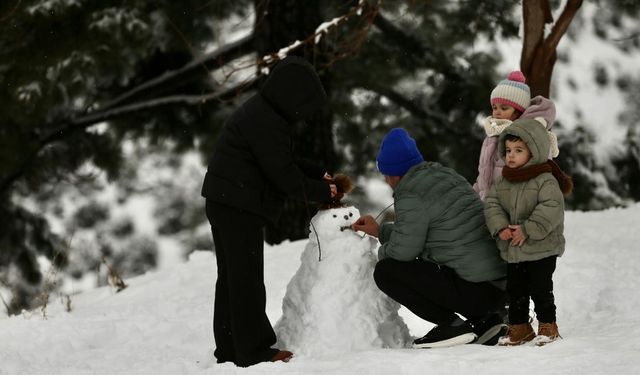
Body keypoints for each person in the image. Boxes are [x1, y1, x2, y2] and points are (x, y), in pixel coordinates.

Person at [200, 56, 338, 367]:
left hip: (223, 201)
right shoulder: (266, 121)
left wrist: (318, 175)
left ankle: (229, 348)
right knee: (246, 280)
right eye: (304, 103)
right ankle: (254, 351)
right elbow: (284, 176)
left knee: (232, 280)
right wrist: (321, 191)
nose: (304, 113)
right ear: (292, 96)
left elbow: (280, 163)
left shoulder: (262, 113)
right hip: (238, 208)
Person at [351, 127, 508, 348]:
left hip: (476, 291)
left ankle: (451, 326)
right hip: (498, 287)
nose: (386, 181)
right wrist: (380, 231)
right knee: (437, 257)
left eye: (385, 175)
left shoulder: (411, 193)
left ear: (393, 174)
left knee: (387, 271)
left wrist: (382, 250)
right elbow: (422, 234)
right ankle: (486, 321)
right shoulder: (444, 175)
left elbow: (403, 251)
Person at [484, 119, 573, 346]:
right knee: (516, 290)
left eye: (519, 150)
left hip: (542, 248)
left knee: (540, 287)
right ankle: (519, 327)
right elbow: (492, 204)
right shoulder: (505, 180)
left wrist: (527, 229)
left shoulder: (545, 180)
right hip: (515, 249)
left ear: (534, 152)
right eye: (508, 150)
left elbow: (550, 209)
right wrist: (501, 227)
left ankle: (547, 325)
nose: (511, 156)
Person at [473, 70, 559, 200]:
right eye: (495, 107)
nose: (497, 112)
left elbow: (540, 173)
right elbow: (484, 171)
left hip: (514, 205)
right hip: (489, 203)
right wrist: (476, 194)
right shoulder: (492, 133)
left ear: (518, 111)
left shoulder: (530, 135)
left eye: (504, 108)